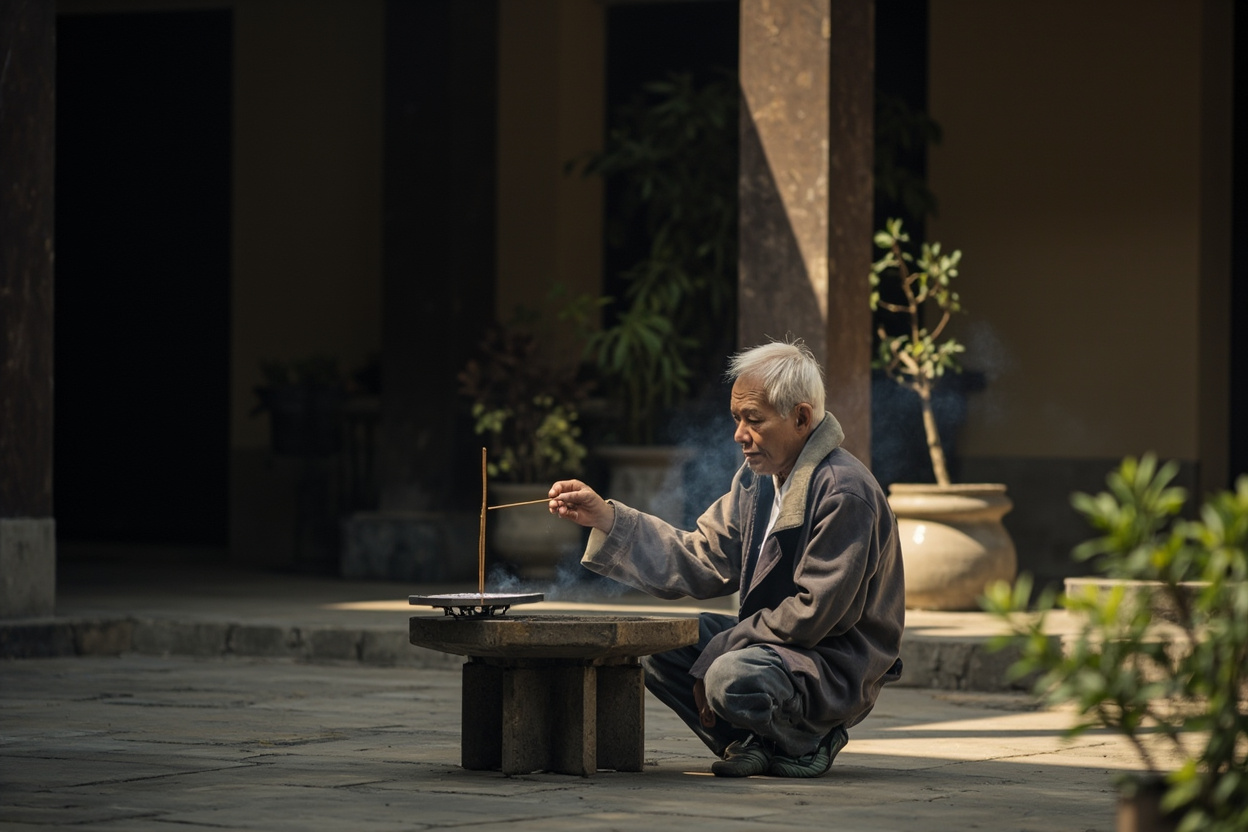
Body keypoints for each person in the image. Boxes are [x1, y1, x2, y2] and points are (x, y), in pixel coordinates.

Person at [548, 339, 905, 778]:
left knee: (729, 676)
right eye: (737, 419)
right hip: (776, 650)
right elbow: (700, 556)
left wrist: (727, 643)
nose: (739, 435)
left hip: (832, 660)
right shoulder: (757, 483)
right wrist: (606, 518)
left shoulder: (843, 491)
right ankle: (754, 742)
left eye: (753, 420)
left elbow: (814, 614)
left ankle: (809, 736)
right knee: (664, 645)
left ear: (801, 418)